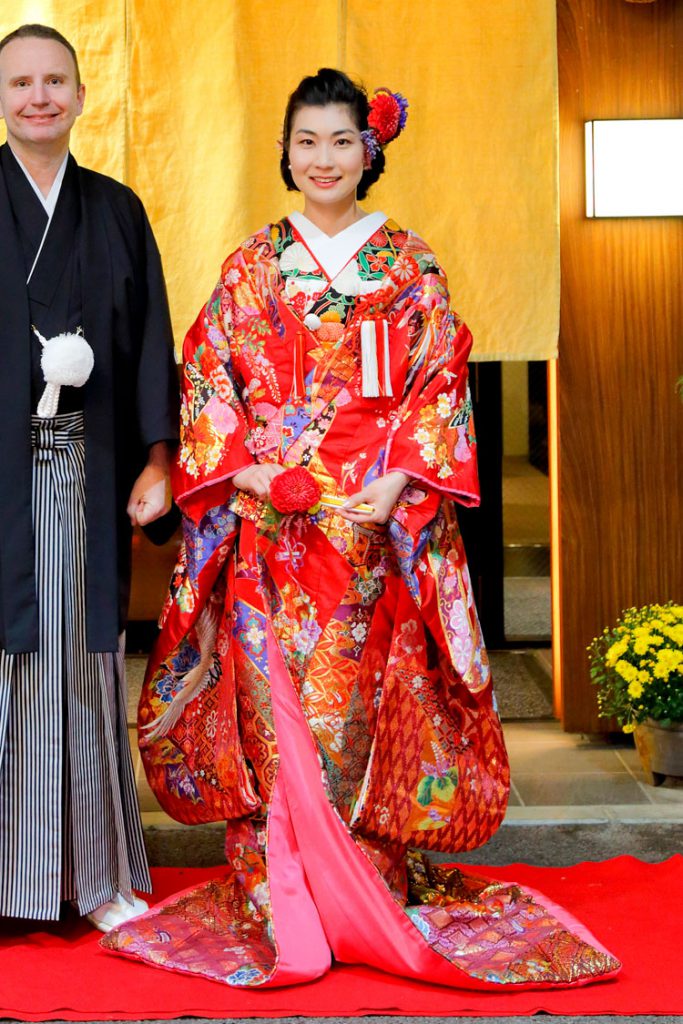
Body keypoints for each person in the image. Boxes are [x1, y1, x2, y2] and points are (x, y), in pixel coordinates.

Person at [104, 69, 619, 988]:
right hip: (270, 524)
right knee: (272, 712)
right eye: (307, 141)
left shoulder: (409, 264)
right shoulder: (253, 263)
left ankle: (365, 880)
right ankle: (278, 887)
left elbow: (438, 386)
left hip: (371, 527)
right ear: (285, 151)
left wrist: (398, 480)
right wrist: (245, 467)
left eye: (341, 140)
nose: (323, 158)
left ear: (369, 150)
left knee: (361, 708)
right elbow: (211, 372)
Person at [0, 25, 178, 931]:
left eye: (54, 81)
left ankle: (96, 876)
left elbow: (150, 340)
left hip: (86, 468)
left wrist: (156, 459)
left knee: (81, 661)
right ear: (0, 98)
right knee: (5, 660)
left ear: (80, 93)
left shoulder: (114, 209)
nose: (39, 96)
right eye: (21, 82)